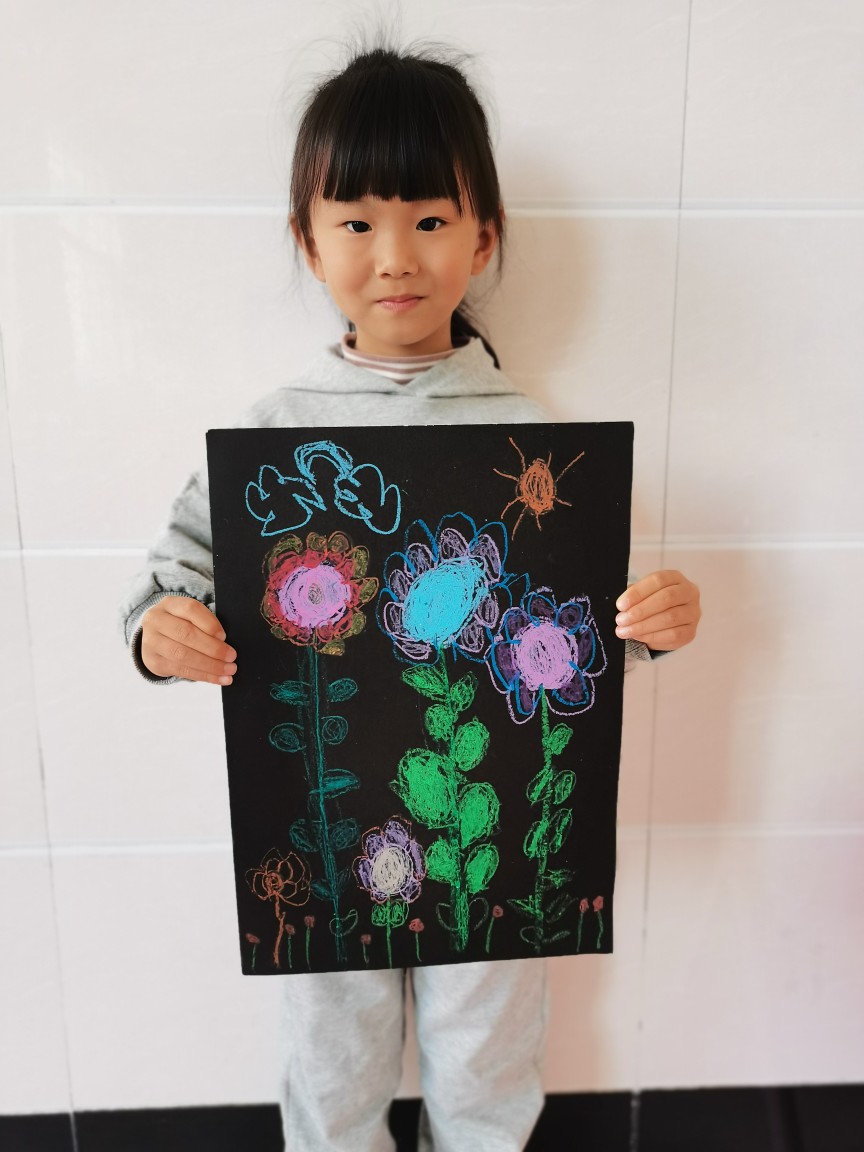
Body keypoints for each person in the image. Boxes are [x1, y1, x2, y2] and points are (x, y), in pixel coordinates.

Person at [121, 42, 701, 1152]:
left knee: (486, 1054)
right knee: (332, 1059)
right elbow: (173, 574)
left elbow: (570, 634)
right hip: (323, 819)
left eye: (430, 220)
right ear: (309, 240)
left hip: (488, 824)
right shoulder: (272, 434)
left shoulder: (530, 440)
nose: (395, 256)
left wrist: (650, 627)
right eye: (357, 222)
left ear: (483, 238)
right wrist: (159, 631)